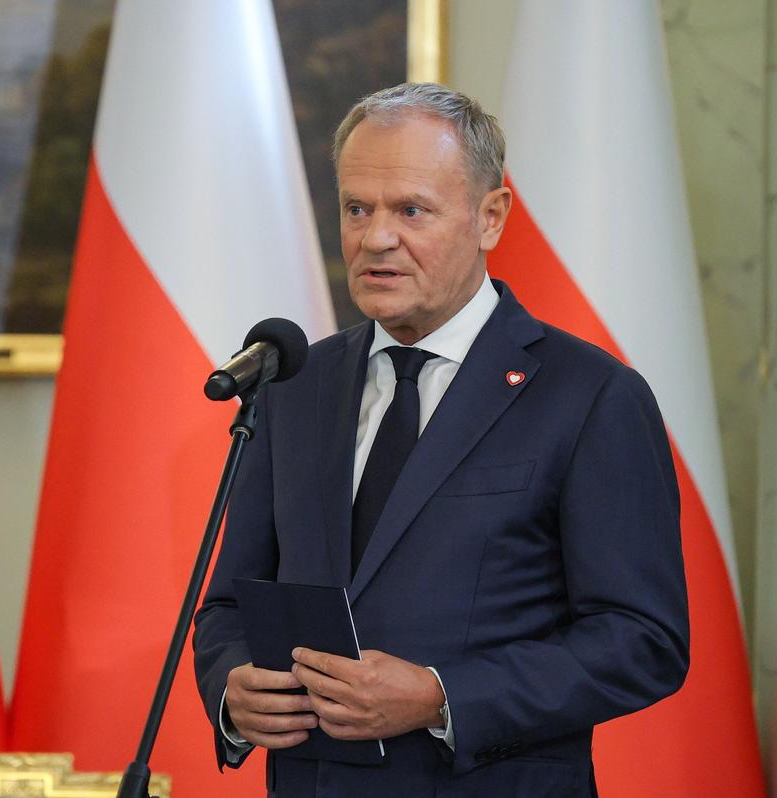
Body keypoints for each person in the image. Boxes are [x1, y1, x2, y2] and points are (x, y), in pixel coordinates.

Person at [193, 82, 689, 797]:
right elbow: (229, 605)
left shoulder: (589, 396)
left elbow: (643, 641)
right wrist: (233, 692)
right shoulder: (293, 384)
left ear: (491, 218)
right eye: (356, 208)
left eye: (411, 210)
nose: (375, 238)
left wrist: (441, 694)